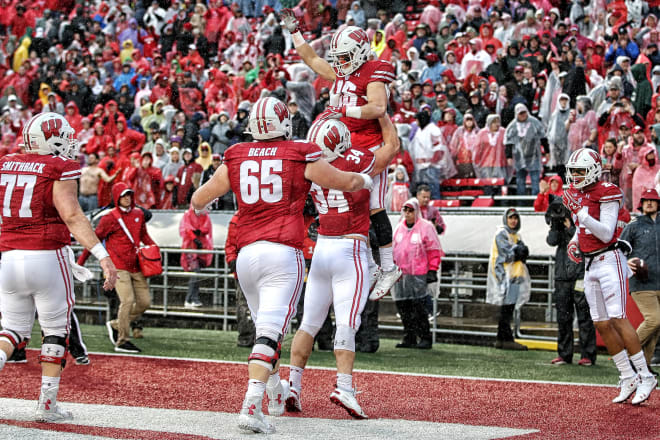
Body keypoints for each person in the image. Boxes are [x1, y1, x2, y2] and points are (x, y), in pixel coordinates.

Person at [191, 96, 374, 434]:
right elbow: (344, 181)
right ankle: (251, 403)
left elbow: (198, 200)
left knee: (266, 330)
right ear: (283, 123)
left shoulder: (235, 154)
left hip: (246, 254)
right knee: (270, 332)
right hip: (281, 251)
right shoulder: (298, 151)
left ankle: (275, 391)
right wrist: (366, 182)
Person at [0, 112, 118, 422]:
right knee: (54, 332)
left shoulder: (7, 162)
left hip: (10, 257)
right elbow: (73, 216)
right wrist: (101, 254)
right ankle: (47, 405)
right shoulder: (58, 167)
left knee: (12, 332)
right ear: (49, 140)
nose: (69, 143)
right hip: (47, 255)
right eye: (64, 137)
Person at [281, 12, 402, 302]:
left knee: (372, 206)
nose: (341, 63)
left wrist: (343, 110)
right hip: (344, 145)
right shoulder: (343, 71)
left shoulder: (374, 71)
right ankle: (371, 265)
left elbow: (377, 108)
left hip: (370, 145)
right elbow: (312, 59)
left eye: (346, 57)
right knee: (333, 192)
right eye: (339, 57)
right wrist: (295, 32)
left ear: (361, 53)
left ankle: (388, 267)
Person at [283, 117, 396, 420]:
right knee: (347, 320)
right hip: (351, 248)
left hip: (322, 249)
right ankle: (344, 386)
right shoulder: (355, 160)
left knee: (309, 322)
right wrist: (382, 114)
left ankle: (293, 385)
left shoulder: (313, 166)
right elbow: (391, 148)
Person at [562, 148, 657, 404]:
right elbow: (582, 228)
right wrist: (574, 241)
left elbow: (605, 233)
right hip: (590, 263)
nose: (575, 176)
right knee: (601, 323)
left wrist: (580, 213)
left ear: (592, 170)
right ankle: (627, 376)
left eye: (580, 171)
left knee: (618, 318)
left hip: (609, 259)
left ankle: (646, 376)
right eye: (573, 172)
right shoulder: (577, 193)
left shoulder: (607, 191)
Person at [78, 182, 156, 354]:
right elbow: (94, 240)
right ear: (117, 197)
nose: (127, 198)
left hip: (136, 265)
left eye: (129, 195)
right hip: (118, 266)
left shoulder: (138, 214)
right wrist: (80, 264)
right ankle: (122, 340)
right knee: (127, 301)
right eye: (123, 195)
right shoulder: (109, 218)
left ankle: (115, 324)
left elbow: (144, 236)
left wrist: (154, 251)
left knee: (145, 303)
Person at [545, 197, 597, 366]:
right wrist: (555, 224)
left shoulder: (580, 224)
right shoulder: (556, 226)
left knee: (584, 316)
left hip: (579, 274)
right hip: (562, 277)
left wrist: (569, 227)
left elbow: (582, 242)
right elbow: (551, 241)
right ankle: (564, 354)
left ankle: (588, 355)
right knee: (563, 317)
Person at [392, 198, 442, 350]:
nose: (407, 214)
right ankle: (409, 336)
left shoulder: (426, 227)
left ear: (416, 211)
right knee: (403, 307)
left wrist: (433, 269)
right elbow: (394, 250)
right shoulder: (399, 228)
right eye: (405, 211)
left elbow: (434, 250)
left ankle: (425, 337)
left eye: (410, 211)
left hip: (418, 275)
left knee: (419, 307)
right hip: (401, 275)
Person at [621, 188, 660, 367]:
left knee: (656, 328)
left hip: (658, 282)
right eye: (646, 200)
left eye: (653, 200)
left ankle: (644, 367)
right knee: (654, 319)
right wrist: (626, 261)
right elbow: (618, 250)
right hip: (642, 283)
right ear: (641, 204)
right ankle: (628, 353)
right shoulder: (633, 226)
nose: (649, 203)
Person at [486, 208, 531, 351]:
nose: (513, 221)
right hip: (504, 276)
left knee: (508, 308)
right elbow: (508, 254)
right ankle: (506, 338)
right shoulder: (502, 233)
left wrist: (519, 251)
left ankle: (502, 338)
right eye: (511, 218)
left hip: (514, 276)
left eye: (515, 218)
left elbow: (520, 252)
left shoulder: (516, 235)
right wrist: (519, 251)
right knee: (506, 308)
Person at [225, 210, 255, 348]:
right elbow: (230, 244)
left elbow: (229, 245)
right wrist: (232, 261)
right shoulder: (237, 218)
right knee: (244, 305)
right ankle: (247, 337)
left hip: (252, 267)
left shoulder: (237, 218)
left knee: (246, 305)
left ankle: (253, 337)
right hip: (244, 268)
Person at [504, 103, 548, 196]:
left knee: (535, 180)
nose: (523, 115)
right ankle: (522, 202)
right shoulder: (512, 126)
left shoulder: (535, 122)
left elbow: (543, 137)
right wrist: (509, 157)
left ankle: (536, 202)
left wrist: (547, 151)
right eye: (520, 113)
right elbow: (508, 142)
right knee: (520, 181)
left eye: (524, 112)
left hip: (534, 155)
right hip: (519, 157)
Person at [179, 206, 213, 308]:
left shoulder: (204, 215)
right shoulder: (188, 214)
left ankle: (191, 299)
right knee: (195, 272)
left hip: (199, 248)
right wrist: (195, 238)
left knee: (196, 273)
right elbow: (186, 229)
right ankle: (192, 298)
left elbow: (206, 228)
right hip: (190, 248)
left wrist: (199, 232)